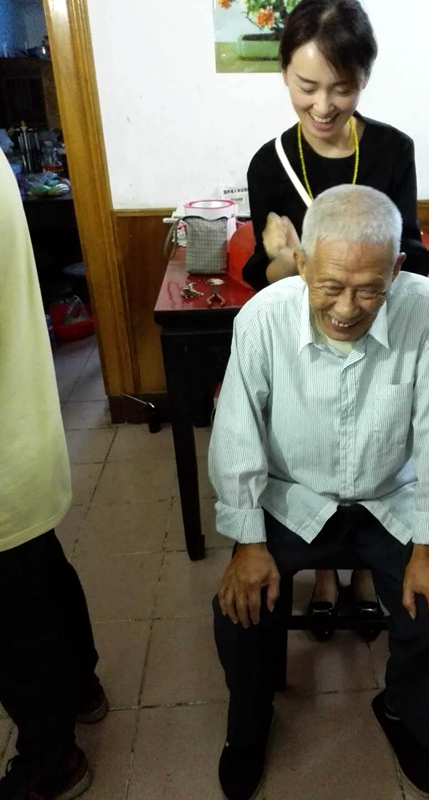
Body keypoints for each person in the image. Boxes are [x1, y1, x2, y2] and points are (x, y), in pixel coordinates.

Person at [210, 185, 429, 800]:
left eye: (370, 289)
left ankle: (402, 712)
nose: (347, 309)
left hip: (390, 497)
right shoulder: (263, 319)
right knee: (239, 608)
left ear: (397, 269)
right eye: (330, 286)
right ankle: (249, 725)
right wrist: (248, 543)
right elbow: (237, 432)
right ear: (301, 263)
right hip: (294, 495)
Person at [242, 0, 429, 639]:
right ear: (284, 75)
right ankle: (325, 573)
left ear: (363, 79)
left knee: (373, 452)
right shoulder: (270, 163)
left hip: (375, 332)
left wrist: (341, 273)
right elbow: (265, 279)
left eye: (342, 88)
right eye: (307, 86)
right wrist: (284, 261)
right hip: (307, 347)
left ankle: (363, 572)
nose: (323, 106)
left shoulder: (391, 150)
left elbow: (411, 257)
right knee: (314, 453)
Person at [0, 151, 107, 800]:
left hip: (9, 445)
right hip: (22, 434)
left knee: (14, 611)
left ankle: (51, 758)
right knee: (35, 567)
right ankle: (80, 685)